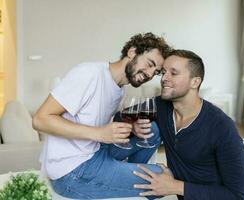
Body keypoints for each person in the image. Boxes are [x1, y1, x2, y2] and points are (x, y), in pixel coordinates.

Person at [32, 32, 172, 199]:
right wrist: (99, 133)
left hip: (96, 152)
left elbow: (100, 124)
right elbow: (40, 119)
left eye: (155, 72)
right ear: (132, 52)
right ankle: (130, 181)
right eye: (150, 64)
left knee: (153, 130)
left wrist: (132, 127)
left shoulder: (120, 88)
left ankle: (127, 178)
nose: (150, 74)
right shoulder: (89, 74)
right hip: (73, 170)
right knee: (161, 179)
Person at [133, 50, 244, 200]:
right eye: (163, 72)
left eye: (173, 73)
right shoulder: (160, 105)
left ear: (195, 82)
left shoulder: (222, 126)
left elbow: (238, 196)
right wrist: (133, 124)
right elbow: (121, 115)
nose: (164, 78)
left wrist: (175, 186)